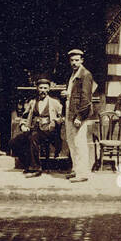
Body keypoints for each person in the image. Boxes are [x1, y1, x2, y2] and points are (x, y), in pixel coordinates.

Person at [16, 77, 63, 177]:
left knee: (33, 138)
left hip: (49, 130)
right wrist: (23, 125)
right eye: (41, 88)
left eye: (45, 88)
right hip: (34, 128)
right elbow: (24, 116)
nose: (43, 90)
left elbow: (61, 117)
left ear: (49, 89)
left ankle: (35, 168)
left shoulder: (54, 102)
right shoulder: (32, 102)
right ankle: (30, 165)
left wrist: (55, 122)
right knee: (19, 140)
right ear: (37, 88)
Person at [63, 46, 95, 182]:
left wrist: (80, 117)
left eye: (77, 60)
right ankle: (76, 169)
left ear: (82, 60)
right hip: (70, 112)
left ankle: (83, 173)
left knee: (79, 143)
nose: (74, 63)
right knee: (71, 143)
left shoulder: (85, 75)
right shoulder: (73, 74)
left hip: (77, 115)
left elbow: (86, 99)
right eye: (72, 60)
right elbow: (74, 94)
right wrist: (67, 94)